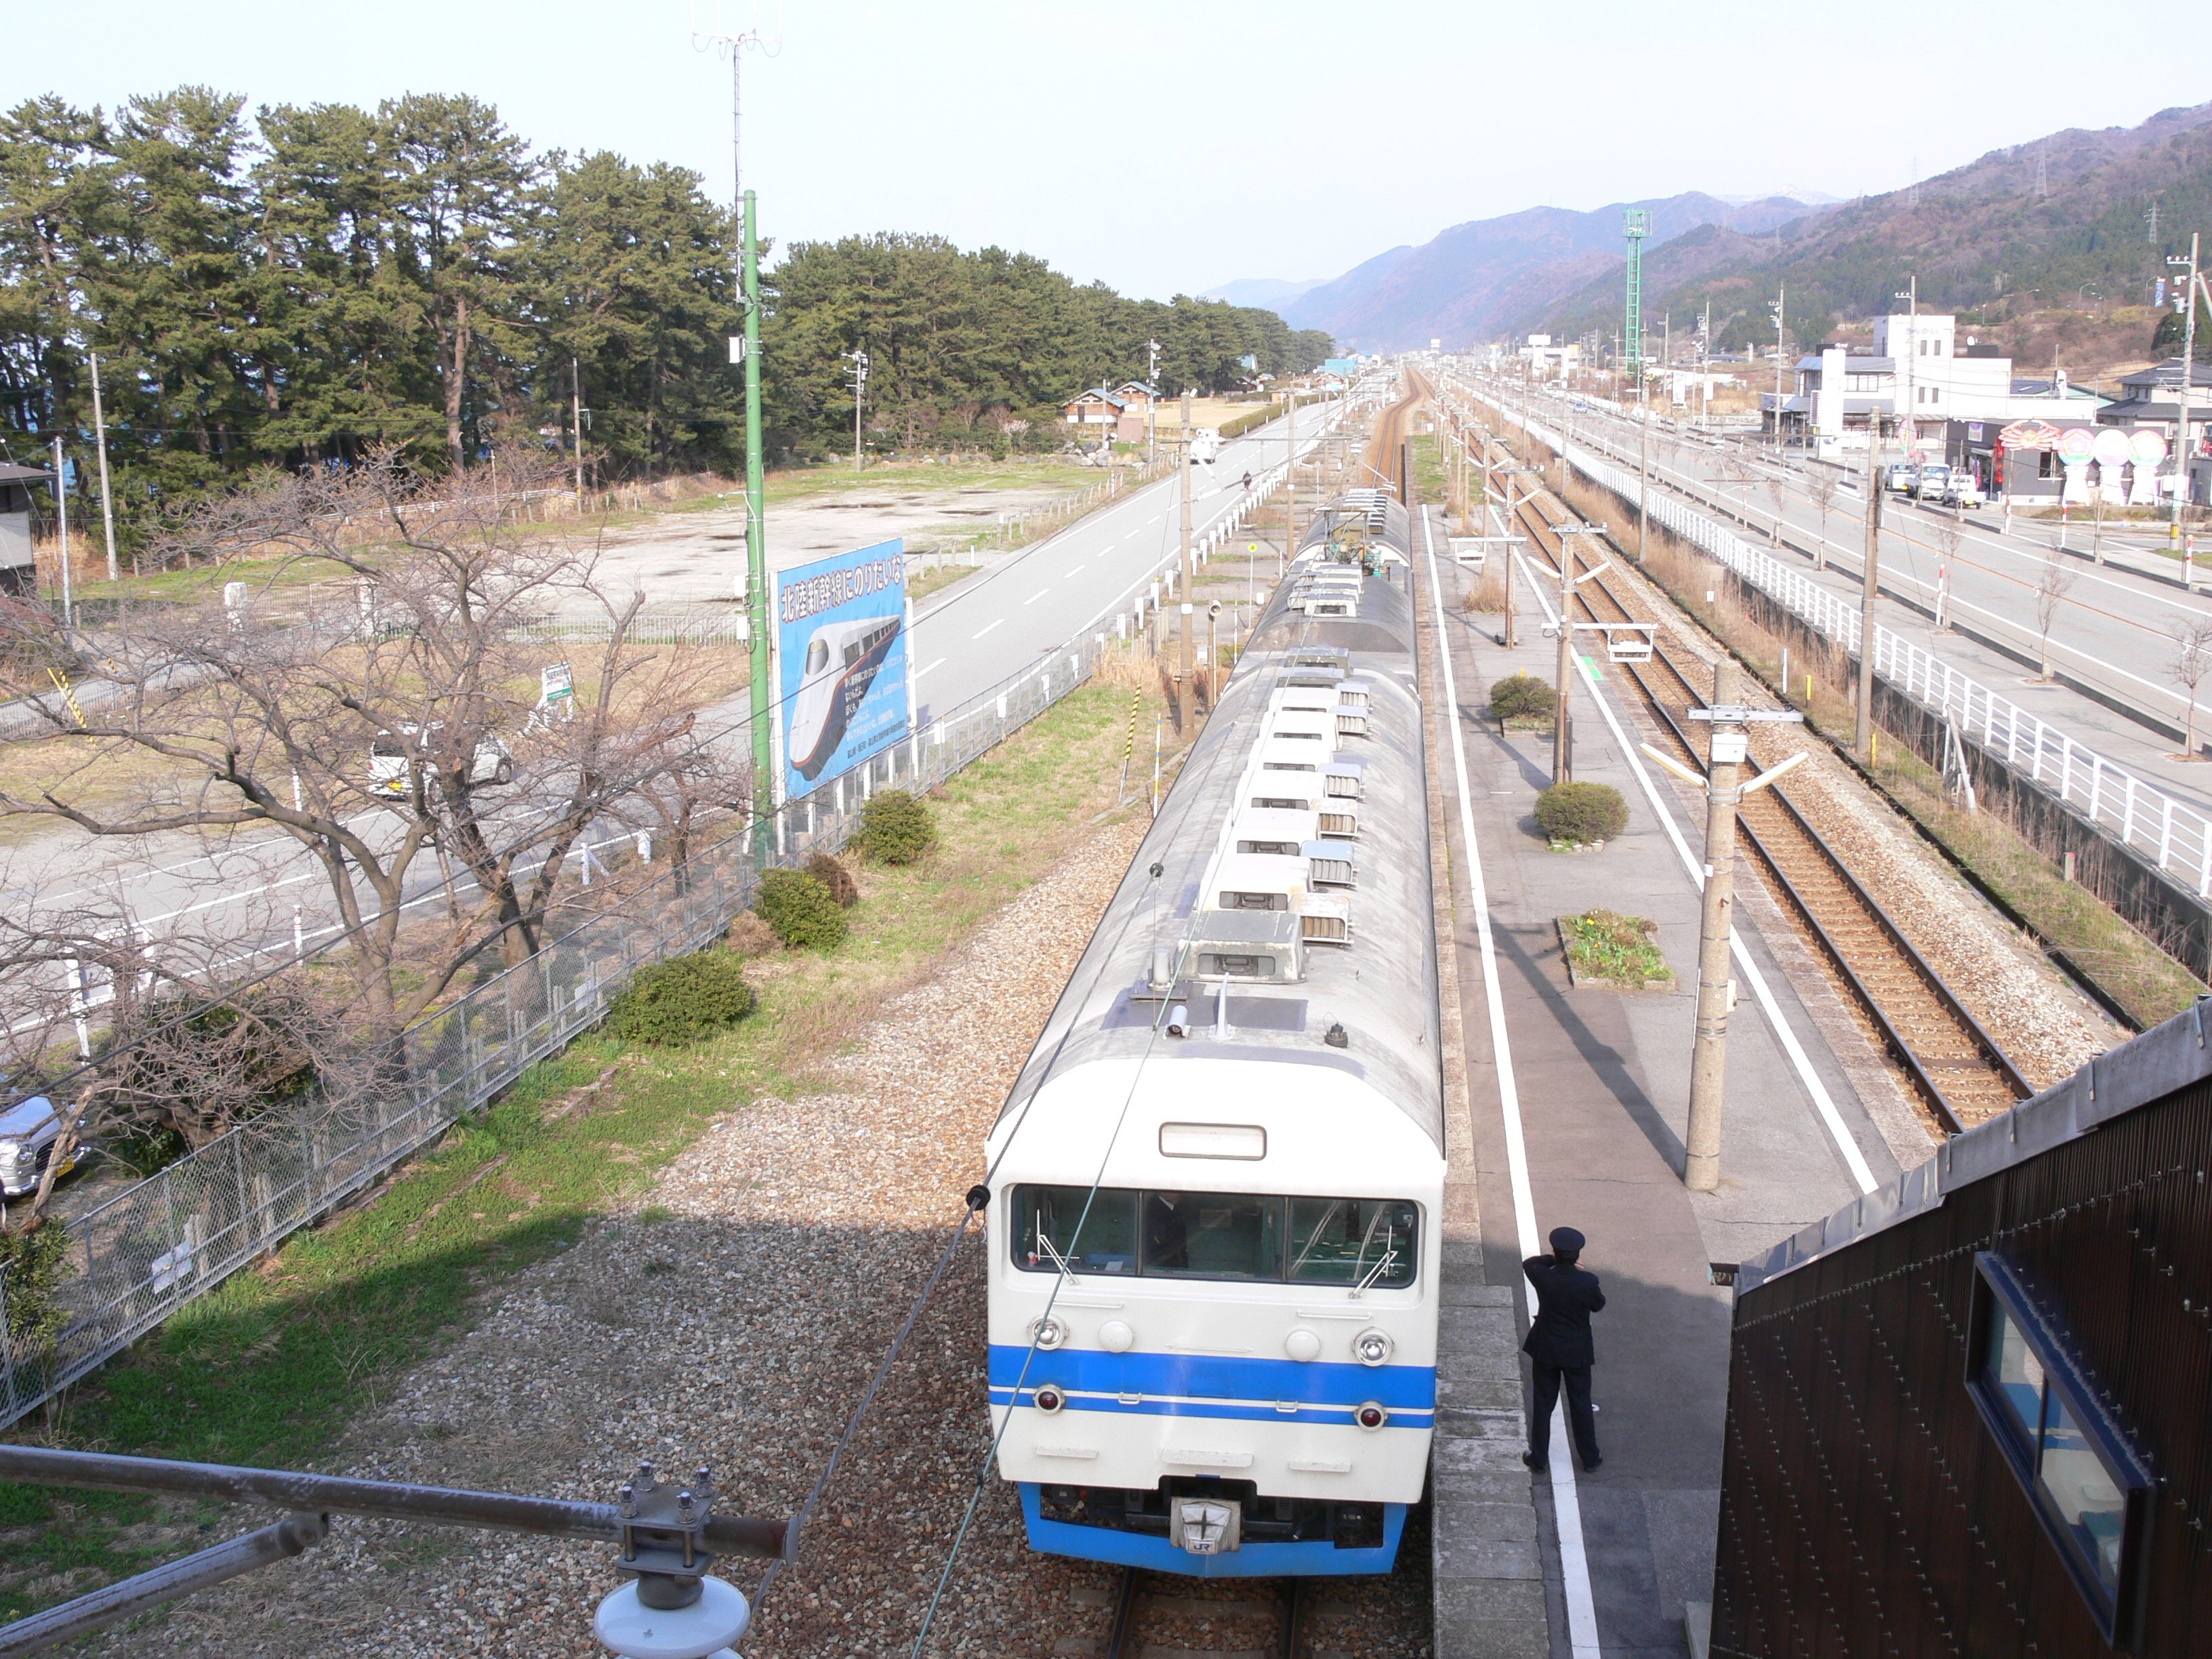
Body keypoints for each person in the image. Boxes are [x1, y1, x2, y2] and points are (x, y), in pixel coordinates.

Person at [1521, 1225, 1605, 1473]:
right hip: (1576, 1351)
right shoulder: (1588, 1282)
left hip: (1546, 1347)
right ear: (1577, 1254)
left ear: (1556, 1252)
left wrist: (1553, 1259)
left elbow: (1530, 1263)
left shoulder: (1543, 1277)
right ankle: (1590, 1457)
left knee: (1543, 1403)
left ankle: (1538, 1458)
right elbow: (1598, 1305)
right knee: (1580, 1403)